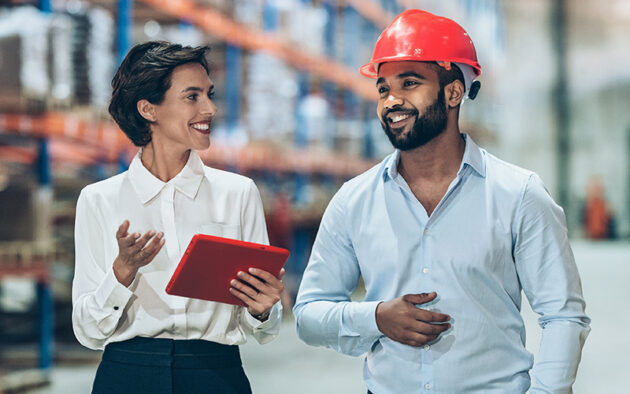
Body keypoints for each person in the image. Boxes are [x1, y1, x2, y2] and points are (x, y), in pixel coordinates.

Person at [294, 9, 590, 394]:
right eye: (383, 88)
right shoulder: (354, 200)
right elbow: (308, 315)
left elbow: (564, 316)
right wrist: (377, 318)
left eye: (410, 83)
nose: (391, 101)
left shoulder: (518, 195)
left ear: (453, 92)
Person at [72, 41, 284, 394]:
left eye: (209, 95)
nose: (210, 108)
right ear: (148, 109)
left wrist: (262, 311)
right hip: (127, 376)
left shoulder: (238, 194)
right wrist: (121, 273)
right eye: (192, 97)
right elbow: (88, 331)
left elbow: (262, 329)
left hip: (217, 375)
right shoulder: (98, 200)